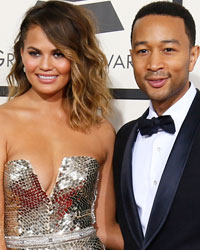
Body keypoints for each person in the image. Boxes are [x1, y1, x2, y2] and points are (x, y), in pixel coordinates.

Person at [0, 1, 124, 249]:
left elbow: (107, 231)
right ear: (21, 54)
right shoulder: (3, 122)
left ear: (78, 57)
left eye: (58, 53)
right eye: (35, 53)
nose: (45, 65)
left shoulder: (101, 130)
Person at [113, 1, 200, 250]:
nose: (154, 65)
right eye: (143, 51)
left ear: (192, 56)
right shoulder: (124, 137)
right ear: (131, 57)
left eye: (168, 50)